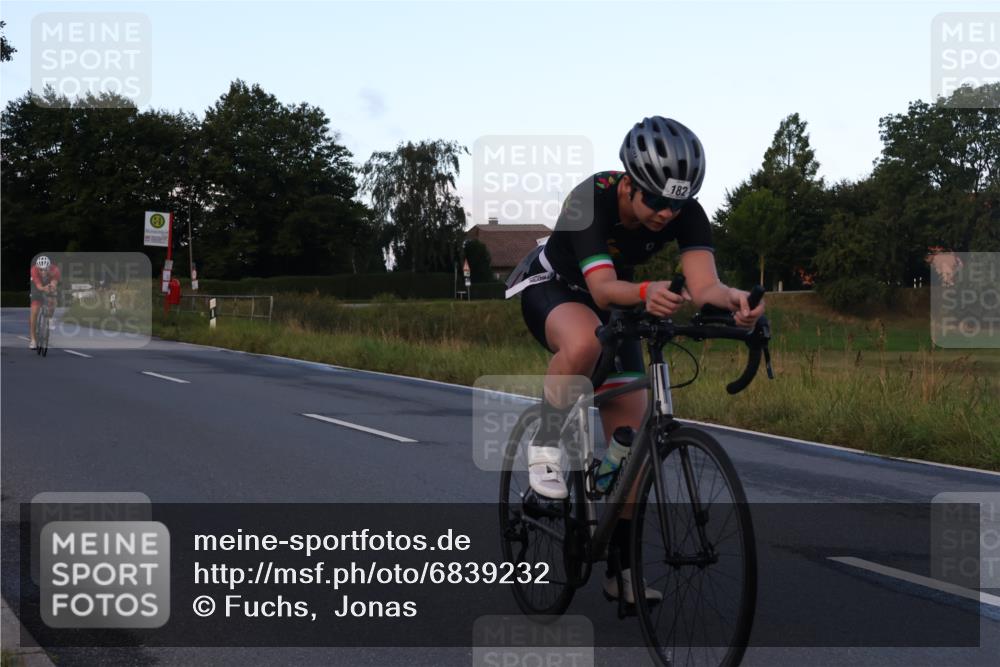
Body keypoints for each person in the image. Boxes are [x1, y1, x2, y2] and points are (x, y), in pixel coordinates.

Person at [506, 116, 765, 603]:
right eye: (656, 202)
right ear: (628, 184)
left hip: (618, 297)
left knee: (634, 450)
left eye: (677, 204)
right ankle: (545, 450)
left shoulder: (683, 211)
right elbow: (601, 290)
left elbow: (704, 287)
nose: (668, 214)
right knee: (585, 345)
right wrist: (649, 291)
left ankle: (618, 570)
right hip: (556, 286)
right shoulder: (592, 199)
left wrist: (736, 302)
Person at [29, 255, 60, 349]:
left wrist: (51, 288)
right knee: (34, 312)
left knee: (53, 298)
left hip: (48, 284)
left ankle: (50, 318)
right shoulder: (34, 270)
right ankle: (33, 340)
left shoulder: (55, 270)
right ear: (38, 268)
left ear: (49, 268)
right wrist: (43, 288)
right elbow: (38, 286)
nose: (43, 272)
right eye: (41, 270)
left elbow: (54, 283)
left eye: (45, 269)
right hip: (37, 286)